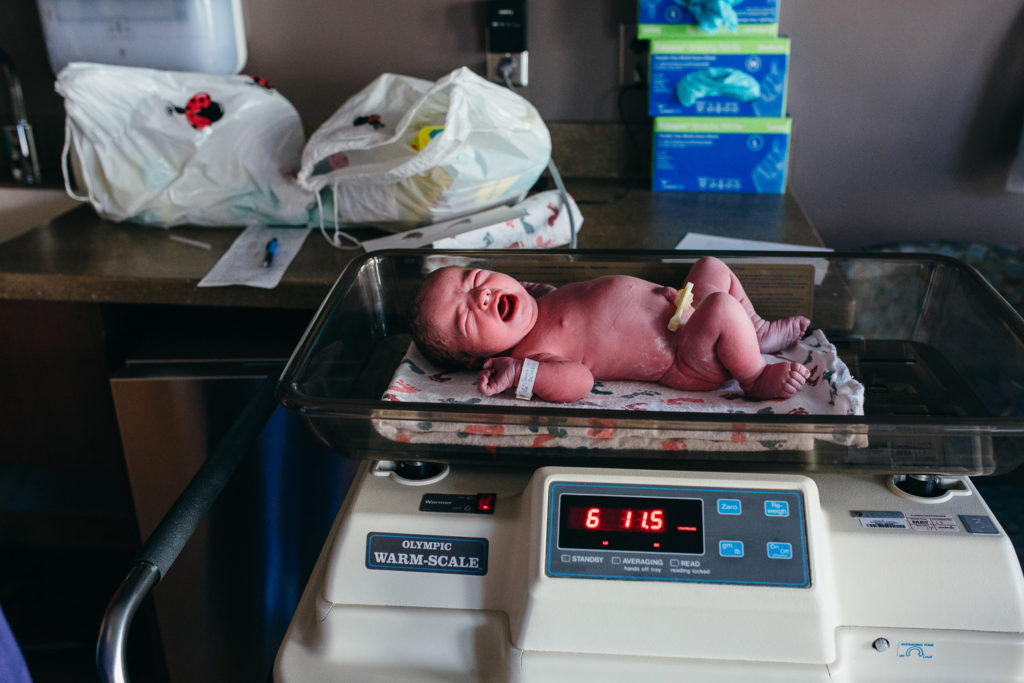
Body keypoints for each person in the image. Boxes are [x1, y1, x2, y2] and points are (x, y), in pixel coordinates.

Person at [409, 257, 810, 403]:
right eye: (467, 317)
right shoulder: (532, 353)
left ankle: (754, 331)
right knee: (721, 307)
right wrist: (521, 374)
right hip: (687, 355)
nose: (480, 294)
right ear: (483, 359)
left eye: (475, 277)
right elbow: (579, 383)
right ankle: (754, 375)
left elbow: (567, 300)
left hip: (685, 312)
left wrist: (532, 292)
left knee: (711, 267)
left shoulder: (540, 302)